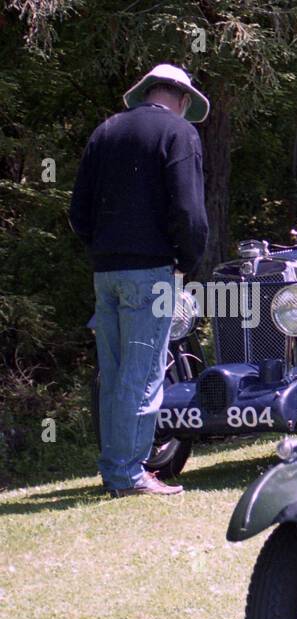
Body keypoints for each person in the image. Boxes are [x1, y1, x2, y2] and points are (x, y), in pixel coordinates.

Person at [69, 64, 209, 497]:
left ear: (147, 91)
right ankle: (128, 476)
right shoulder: (179, 133)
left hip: (105, 271)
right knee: (144, 373)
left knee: (114, 375)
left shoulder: (106, 131)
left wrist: (103, 249)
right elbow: (188, 212)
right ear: (183, 100)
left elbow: (78, 213)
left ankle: (116, 471)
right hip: (150, 270)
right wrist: (188, 261)